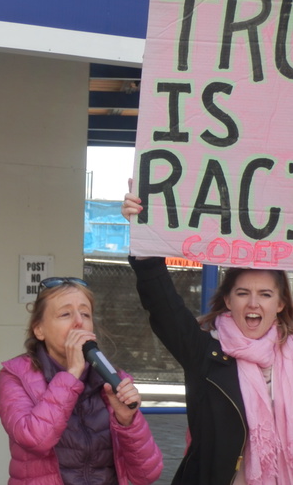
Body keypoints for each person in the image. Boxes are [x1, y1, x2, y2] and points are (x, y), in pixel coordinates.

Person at [123, 192, 293, 485]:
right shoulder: (205, 353)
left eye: (265, 294)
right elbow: (164, 309)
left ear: (280, 304)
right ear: (228, 300)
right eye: (243, 293)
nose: (253, 303)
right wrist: (144, 229)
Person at [0, 276, 163, 485]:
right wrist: (72, 374)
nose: (78, 322)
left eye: (85, 314)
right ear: (39, 330)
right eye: (65, 314)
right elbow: (35, 440)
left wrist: (127, 421)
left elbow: (147, 474)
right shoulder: (16, 375)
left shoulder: (111, 377)